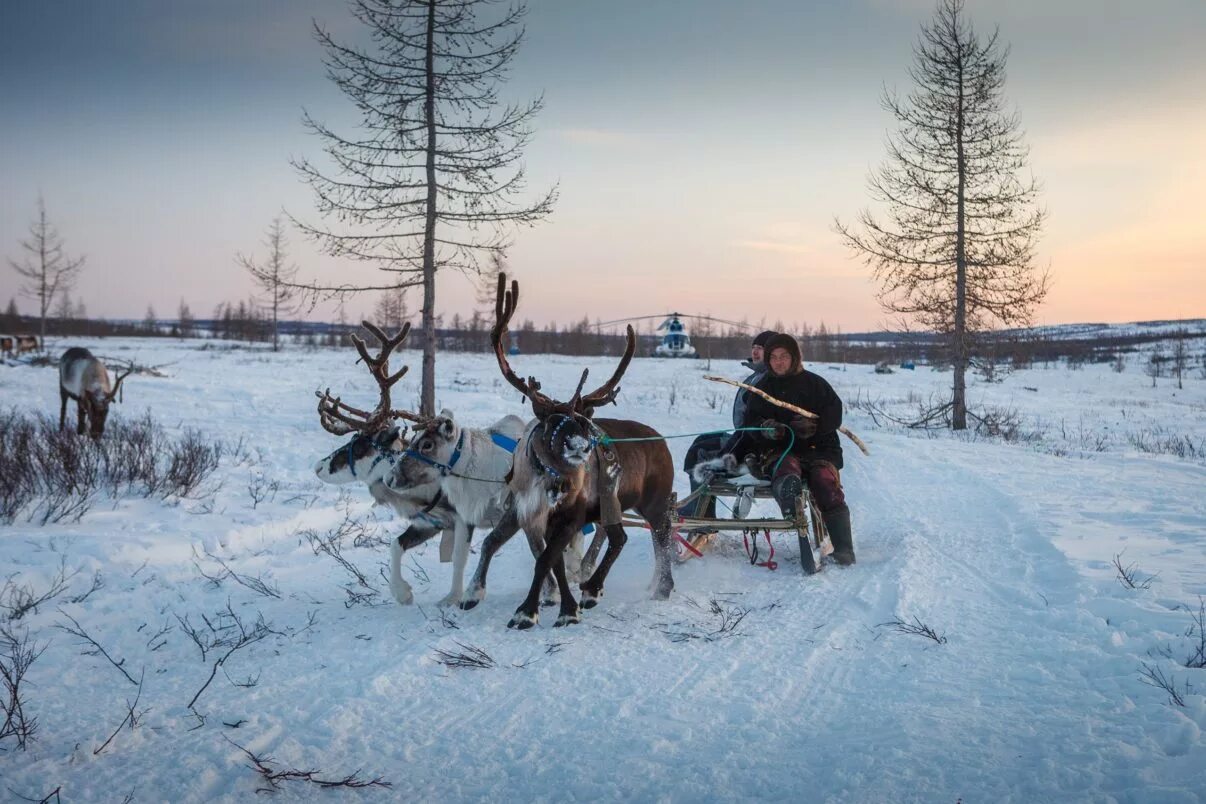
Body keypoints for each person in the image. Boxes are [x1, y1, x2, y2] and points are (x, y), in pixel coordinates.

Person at [739, 332, 855, 565]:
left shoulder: (816, 383)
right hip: (780, 450)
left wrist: (815, 426)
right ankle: (789, 501)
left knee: (824, 481)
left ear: (794, 358)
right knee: (786, 469)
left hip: (819, 448)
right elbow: (750, 423)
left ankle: (844, 548)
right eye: (774, 357)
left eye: (784, 356)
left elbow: (834, 413)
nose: (779, 362)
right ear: (768, 360)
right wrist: (767, 429)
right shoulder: (762, 388)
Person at [678, 330, 777, 554]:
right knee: (702, 442)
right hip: (742, 436)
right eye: (754, 346)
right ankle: (702, 514)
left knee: (700, 451)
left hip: (751, 443)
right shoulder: (757, 375)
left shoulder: (769, 378)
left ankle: (700, 516)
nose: (755, 350)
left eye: (761, 347)